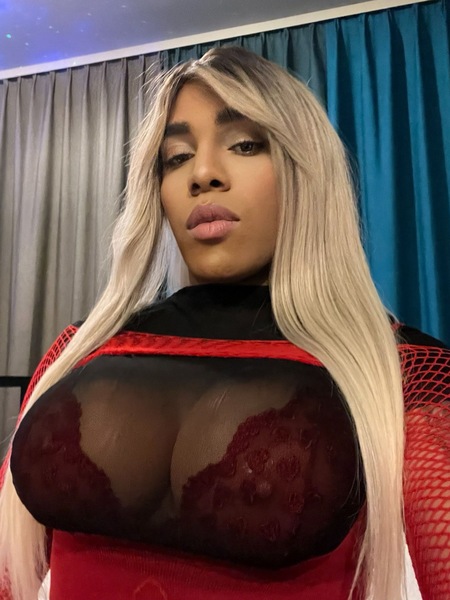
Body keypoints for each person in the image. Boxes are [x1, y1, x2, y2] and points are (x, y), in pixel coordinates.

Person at [0, 46, 448, 600]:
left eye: (244, 145)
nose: (203, 174)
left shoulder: (402, 370)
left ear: (305, 171)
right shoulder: (78, 350)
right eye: (176, 157)